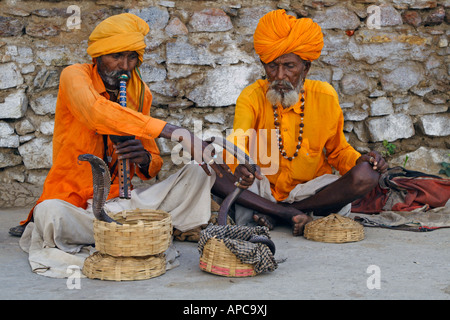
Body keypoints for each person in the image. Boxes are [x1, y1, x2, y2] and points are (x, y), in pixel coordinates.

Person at [12, 13, 255, 278]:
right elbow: (96, 113)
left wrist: (142, 158)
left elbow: (151, 167)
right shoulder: (74, 76)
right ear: (97, 57)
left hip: (123, 204)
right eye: (116, 57)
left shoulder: (140, 92)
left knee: (196, 174)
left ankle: (133, 229)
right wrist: (178, 133)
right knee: (49, 213)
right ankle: (142, 232)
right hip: (76, 205)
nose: (124, 66)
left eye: (131, 57)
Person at [211, 9, 388, 236]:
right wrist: (239, 163)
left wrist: (360, 160)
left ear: (306, 68)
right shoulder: (251, 96)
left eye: (289, 66)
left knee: (366, 174)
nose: (280, 76)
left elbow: (338, 151)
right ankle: (287, 214)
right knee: (210, 169)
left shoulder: (325, 96)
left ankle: (283, 212)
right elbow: (237, 141)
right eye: (272, 66)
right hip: (261, 189)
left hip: (310, 192)